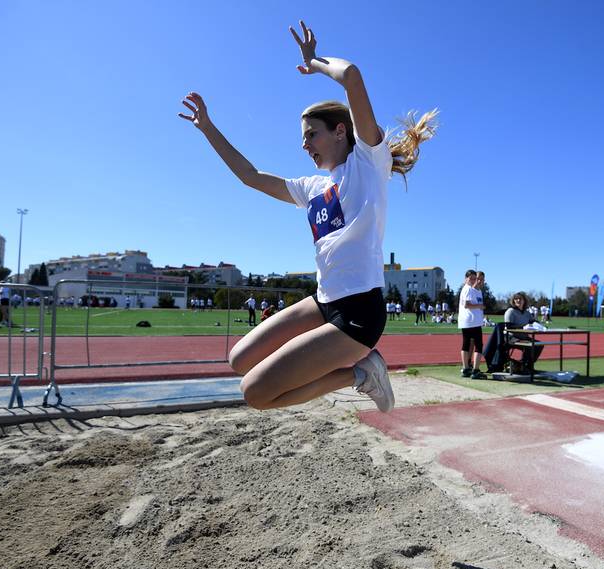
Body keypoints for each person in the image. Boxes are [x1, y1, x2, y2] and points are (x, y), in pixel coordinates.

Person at [178, 20, 436, 412]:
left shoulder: (367, 164)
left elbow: (351, 76)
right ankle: (359, 370)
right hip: (323, 300)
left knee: (256, 393)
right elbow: (251, 177)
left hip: (358, 311)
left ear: (339, 132)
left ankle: (362, 373)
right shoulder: (312, 188)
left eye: (310, 134)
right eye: (303, 139)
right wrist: (208, 128)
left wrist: (314, 62)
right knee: (239, 359)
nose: (305, 145)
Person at [504, 292, 544, 374]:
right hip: (511, 337)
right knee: (529, 345)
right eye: (516, 299)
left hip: (523, 337)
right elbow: (508, 327)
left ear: (524, 300)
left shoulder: (527, 313)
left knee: (539, 345)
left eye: (520, 298)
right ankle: (523, 367)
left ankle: (528, 365)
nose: (518, 300)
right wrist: (522, 328)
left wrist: (540, 325)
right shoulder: (510, 311)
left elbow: (533, 322)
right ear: (513, 301)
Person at [457, 269, 485, 379]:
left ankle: (466, 368)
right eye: (471, 278)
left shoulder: (474, 291)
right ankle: (475, 370)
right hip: (471, 321)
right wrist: (480, 306)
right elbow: (467, 305)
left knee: (466, 344)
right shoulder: (468, 289)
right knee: (478, 345)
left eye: (475, 278)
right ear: (466, 279)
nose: (473, 280)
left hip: (471, 321)